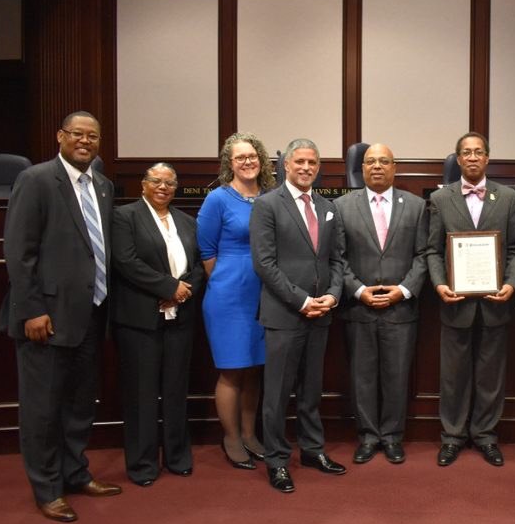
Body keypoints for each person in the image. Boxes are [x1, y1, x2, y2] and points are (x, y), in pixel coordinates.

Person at [0, 111, 121, 522]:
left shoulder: (103, 186)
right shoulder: (35, 180)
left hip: (91, 313)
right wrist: (32, 309)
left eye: (93, 136)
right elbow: (19, 252)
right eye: (77, 134)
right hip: (46, 318)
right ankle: (47, 488)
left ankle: (75, 472)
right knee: (43, 408)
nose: (85, 141)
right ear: (60, 137)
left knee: (79, 402)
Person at [251, 138, 346, 493]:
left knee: (311, 390)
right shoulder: (267, 205)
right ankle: (276, 460)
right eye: (300, 162)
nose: (307, 168)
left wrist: (333, 296)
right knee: (276, 394)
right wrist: (302, 300)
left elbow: (337, 259)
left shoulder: (327, 206)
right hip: (284, 314)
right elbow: (264, 264)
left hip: (321, 314)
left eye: (312, 162)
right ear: (286, 165)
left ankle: (312, 450)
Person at [427, 132, 515, 467]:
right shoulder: (441, 200)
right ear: (457, 159)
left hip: (496, 303)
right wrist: (439, 285)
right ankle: (452, 437)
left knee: (490, 375)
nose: (472, 157)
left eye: (478, 152)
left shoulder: (508, 197)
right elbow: (432, 250)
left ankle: (485, 435)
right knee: (453, 376)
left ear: (487, 158)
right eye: (465, 152)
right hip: (454, 304)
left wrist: (511, 284)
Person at [110, 163, 204, 487]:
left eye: (169, 183)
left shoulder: (187, 222)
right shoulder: (125, 217)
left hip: (180, 317)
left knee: (176, 391)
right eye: (156, 181)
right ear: (143, 185)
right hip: (139, 320)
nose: (163, 187)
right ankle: (142, 464)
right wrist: (167, 288)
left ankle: (178, 457)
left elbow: (198, 265)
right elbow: (125, 261)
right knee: (142, 394)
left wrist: (182, 291)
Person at [335, 143, 428, 465]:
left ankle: (391, 437)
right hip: (358, 307)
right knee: (362, 376)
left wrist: (403, 290)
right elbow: (338, 258)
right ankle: (367, 436)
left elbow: (423, 255)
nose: (377, 166)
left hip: (400, 308)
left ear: (394, 167)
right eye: (370, 161)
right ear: (362, 169)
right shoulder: (343, 206)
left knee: (396, 375)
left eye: (383, 161)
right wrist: (358, 290)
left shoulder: (416, 206)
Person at [197, 133, 275, 471]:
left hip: (266, 292)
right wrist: (229, 281)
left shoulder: (271, 197)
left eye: (253, 156)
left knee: (255, 368)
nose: (248, 162)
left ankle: (250, 433)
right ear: (230, 163)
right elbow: (206, 252)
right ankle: (231, 438)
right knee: (232, 369)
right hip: (229, 292)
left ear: (261, 161)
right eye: (240, 157)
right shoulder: (217, 199)